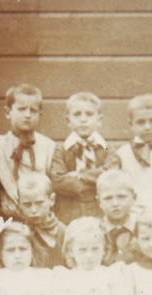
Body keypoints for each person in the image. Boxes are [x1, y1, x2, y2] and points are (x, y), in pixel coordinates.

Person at [0, 84, 55, 220]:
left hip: (40, 215)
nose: (27, 115)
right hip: (8, 215)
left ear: (40, 114)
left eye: (33, 110)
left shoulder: (48, 146)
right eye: (21, 109)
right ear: (8, 112)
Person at [108, 93, 152, 211]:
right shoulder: (123, 154)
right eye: (141, 122)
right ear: (131, 124)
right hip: (134, 215)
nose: (147, 127)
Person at [49, 91, 110, 223]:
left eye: (89, 114)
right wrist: (95, 181)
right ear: (68, 120)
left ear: (99, 120)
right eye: (77, 114)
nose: (83, 119)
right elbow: (57, 181)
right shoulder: (61, 150)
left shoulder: (107, 150)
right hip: (69, 212)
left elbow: (110, 176)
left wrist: (79, 175)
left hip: (99, 211)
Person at [18, 172, 66, 268]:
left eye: (39, 203)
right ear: (19, 203)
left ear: (52, 200)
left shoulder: (64, 232)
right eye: (27, 205)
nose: (33, 210)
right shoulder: (18, 233)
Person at [97, 169, 138, 265]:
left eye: (121, 197)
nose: (115, 203)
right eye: (108, 198)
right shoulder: (95, 232)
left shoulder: (142, 228)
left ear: (134, 198)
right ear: (99, 202)